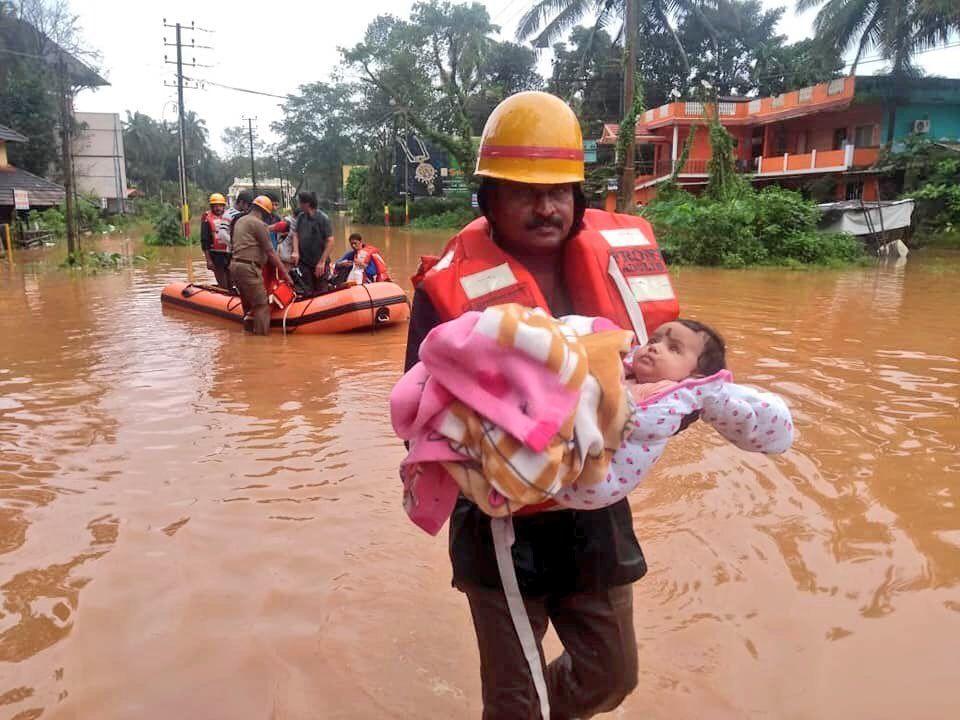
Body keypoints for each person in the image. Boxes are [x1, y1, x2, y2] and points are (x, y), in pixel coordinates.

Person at [404, 91, 683, 719]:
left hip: (595, 513)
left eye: (560, 190)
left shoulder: (619, 271)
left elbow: (676, 369)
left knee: (612, 676)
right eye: (525, 191)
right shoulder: (446, 290)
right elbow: (418, 416)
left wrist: (682, 402)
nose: (546, 205)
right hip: (500, 521)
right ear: (489, 199)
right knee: (513, 702)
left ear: (580, 197)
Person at [228, 195, 293, 335]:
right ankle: (261, 343)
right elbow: (270, 253)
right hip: (249, 269)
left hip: (235, 266)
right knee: (262, 305)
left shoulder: (241, 221)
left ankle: (248, 336)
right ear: (265, 213)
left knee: (248, 305)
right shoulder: (259, 224)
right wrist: (286, 275)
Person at [291, 191, 334, 296]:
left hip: (319, 263)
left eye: (299, 202)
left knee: (321, 292)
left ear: (307, 204)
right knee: (306, 291)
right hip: (304, 262)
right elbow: (295, 234)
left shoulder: (323, 219)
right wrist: (295, 251)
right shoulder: (301, 217)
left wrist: (322, 262)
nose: (298, 205)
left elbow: (330, 240)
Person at [200, 193, 231, 289]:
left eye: (220, 205)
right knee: (223, 283)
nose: (218, 208)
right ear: (211, 207)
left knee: (231, 282)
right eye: (215, 206)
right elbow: (204, 242)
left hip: (229, 254)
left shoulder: (229, 216)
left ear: (223, 206)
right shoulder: (207, 219)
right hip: (216, 255)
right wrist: (208, 260)